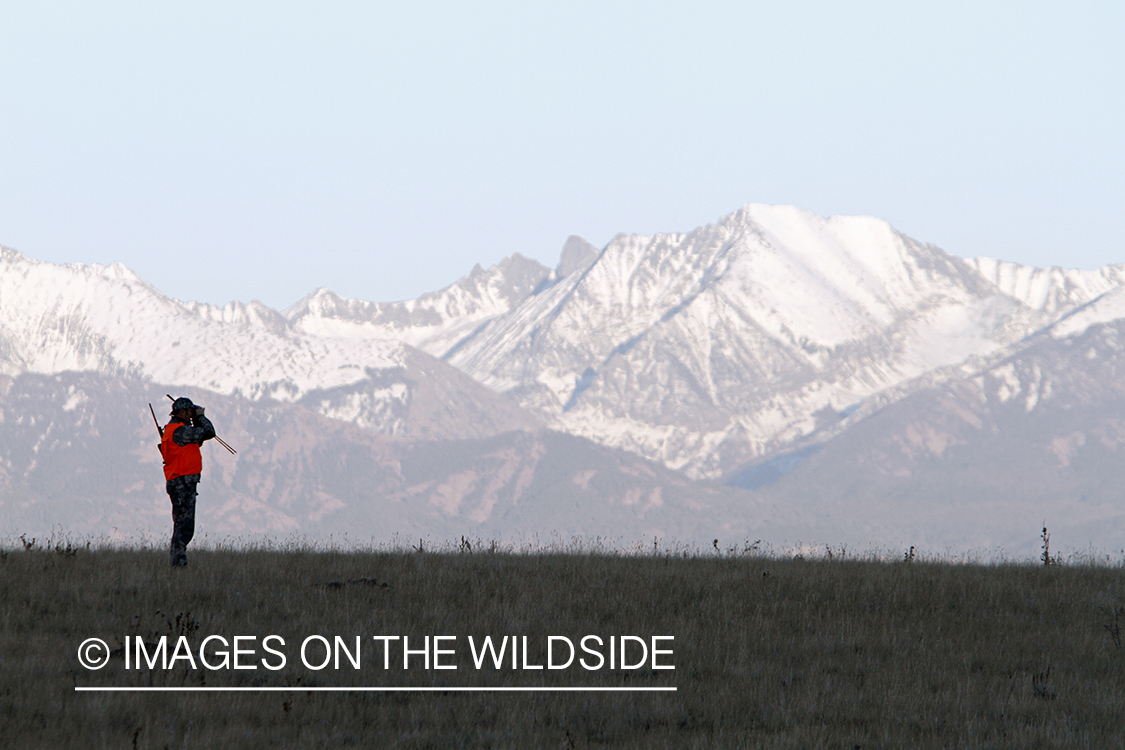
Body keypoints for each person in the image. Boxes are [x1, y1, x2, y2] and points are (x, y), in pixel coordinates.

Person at [160, 397, 216, 567]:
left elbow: (198, 439)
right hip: (182, 483)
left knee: (183, 524)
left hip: (179, 482)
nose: (192, 415)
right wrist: (201, 417)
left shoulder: (175, 430)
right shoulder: (180, 431)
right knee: (184, 526)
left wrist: (196, 418)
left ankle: (178, 560)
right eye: (190, 412)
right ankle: (178, 561)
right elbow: (208, 432)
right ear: (183, 412)